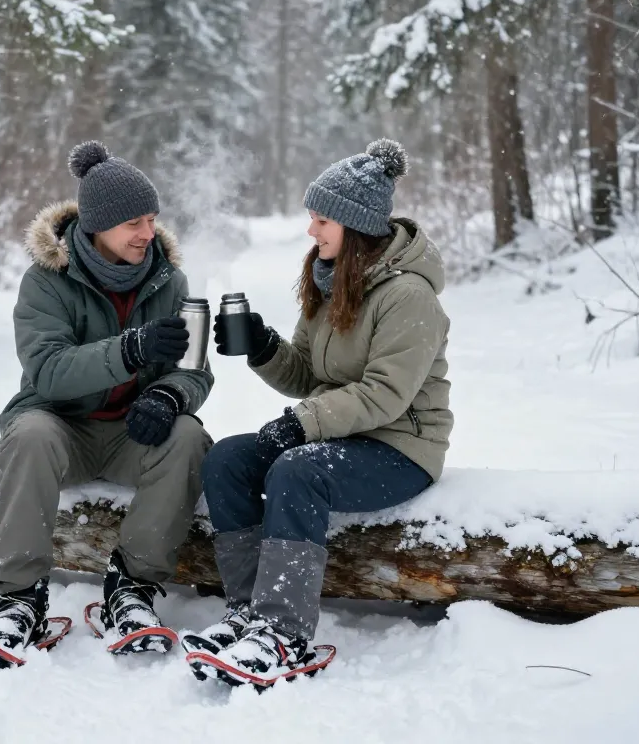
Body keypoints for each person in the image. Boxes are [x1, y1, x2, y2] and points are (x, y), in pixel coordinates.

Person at [184, 138, 452, 685]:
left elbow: (384, 395)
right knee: (229, 460)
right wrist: (262, 346)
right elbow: (308, 374)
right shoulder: (331, 281)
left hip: (401, 446)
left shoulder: (409, 297)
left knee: (297, 469)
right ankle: (248, 613)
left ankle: (284, 632)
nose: (312, 231)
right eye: (311, 217)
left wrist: (300, 425)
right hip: (341, 436)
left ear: (354, 225)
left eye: (322, 219)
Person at [0, 141, 214, 666]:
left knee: (190, 435)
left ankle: (132, 590)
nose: (147, 233)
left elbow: (193, 368)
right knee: (29, 434)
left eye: (152, 219)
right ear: (97, 226)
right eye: (133, 223)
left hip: (133, 436)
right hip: (60, 429)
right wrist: (131, 349)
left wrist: (169, 395)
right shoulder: (45, 282)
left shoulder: (171, 280)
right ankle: (17, 600)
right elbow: (49, 372)